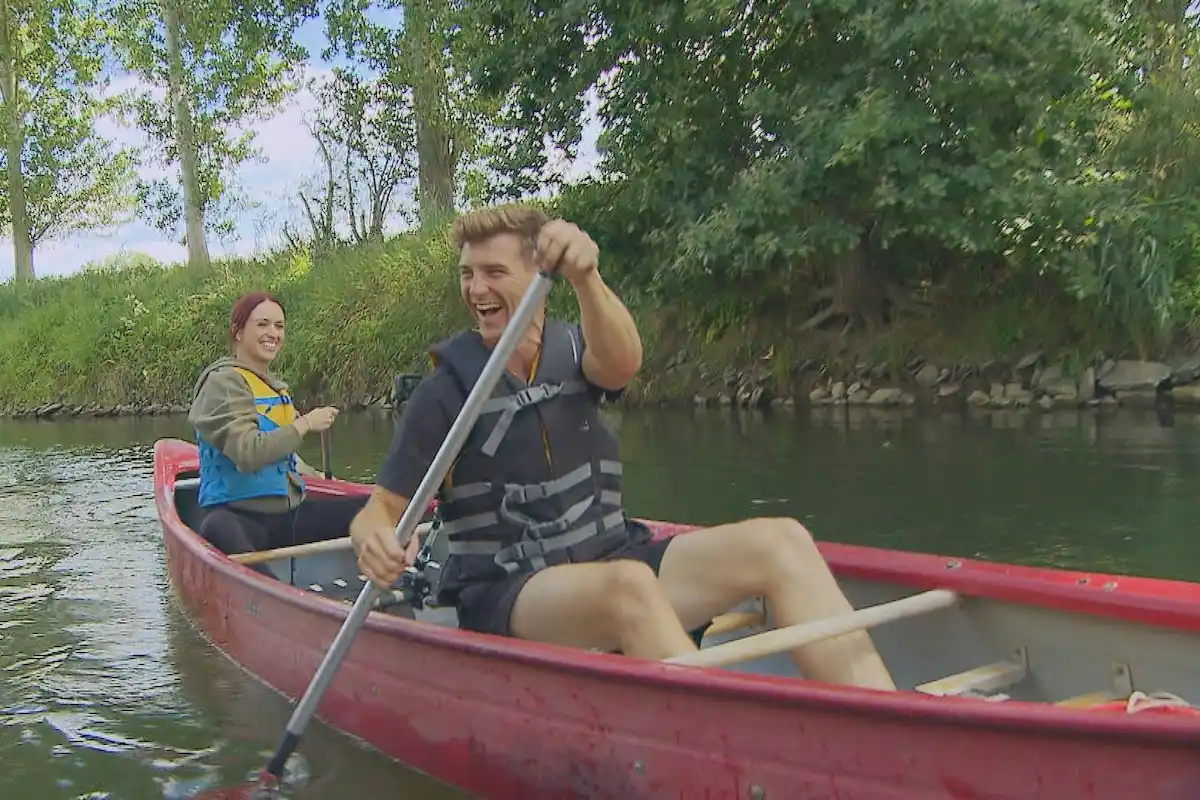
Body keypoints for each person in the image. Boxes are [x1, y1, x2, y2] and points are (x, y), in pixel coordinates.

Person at [348, 205, 896, 690]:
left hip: (612, 554)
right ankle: (725, 745)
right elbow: (379, 512)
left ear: (539, 276)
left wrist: (586, 275)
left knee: (781, 541)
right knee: (629, 587)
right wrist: (374, 542)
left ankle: (882, 720)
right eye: (467, 274)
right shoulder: (444, 394)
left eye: (494, 272)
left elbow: (623, 364)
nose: (476, 289)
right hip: (510, 590)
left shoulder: (574, 347)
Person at [189, 291, 368, 574]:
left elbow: (284, 457)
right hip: (239, 519)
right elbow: (248, 453)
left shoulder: (274, 387)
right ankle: (267, 590)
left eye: (279, 326)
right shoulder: (222, 384)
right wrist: (305, 423)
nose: (273, 333)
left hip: (287, 517)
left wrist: (317, 476)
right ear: (238, 332)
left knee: (376, 507)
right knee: (218, 527)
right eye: (262, 324)